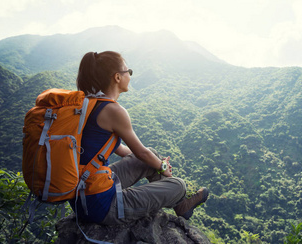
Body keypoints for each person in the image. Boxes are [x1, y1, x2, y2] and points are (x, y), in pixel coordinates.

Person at [72, 51, 209, 224]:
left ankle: (180, 203)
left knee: (150, 154)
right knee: (178, 185)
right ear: (117, 77)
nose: (129, 75)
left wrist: (155, 161)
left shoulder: (88, 104)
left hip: (85, 191)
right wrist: (162, 165)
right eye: (127, 71)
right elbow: (141, 153)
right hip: (100, 205)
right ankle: (180, 199)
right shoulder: (114, 111)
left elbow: (124, 150)